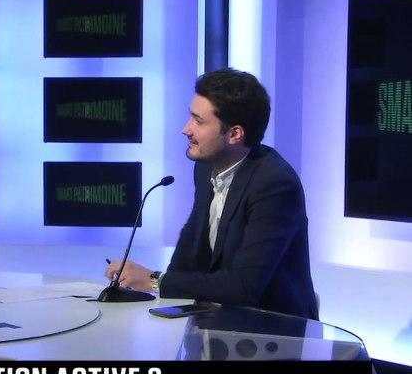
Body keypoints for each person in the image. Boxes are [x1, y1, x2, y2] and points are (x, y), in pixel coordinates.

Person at [106, 68, 319, 319]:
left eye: (199, 121)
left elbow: (244, 286)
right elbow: (192, 240)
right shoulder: (206, 166)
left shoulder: (275, 185)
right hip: (220, 319)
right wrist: (156, 292)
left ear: (234, 134)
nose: (186, 129)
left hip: (276, 328)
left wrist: (154, 280)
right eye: (191, 117)